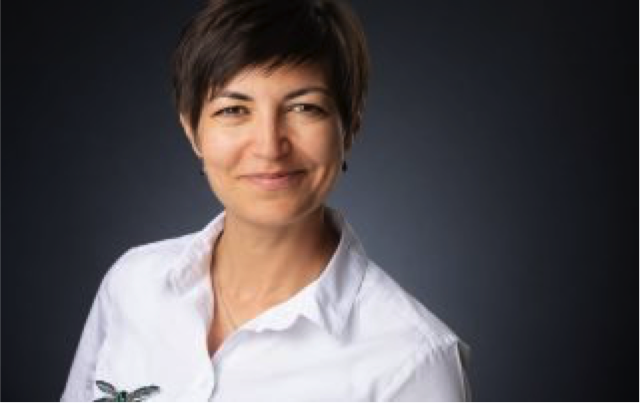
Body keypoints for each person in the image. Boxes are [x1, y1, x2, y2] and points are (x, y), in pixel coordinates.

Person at [61, 0, 471, 401]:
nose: (270, 146)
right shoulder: (131, 285)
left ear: (350, 128)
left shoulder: (413, 360)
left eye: (304, 107)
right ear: (191, 129)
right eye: (234, 110)